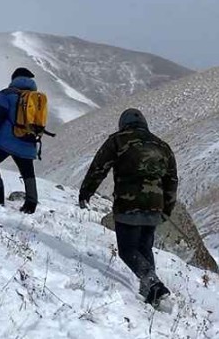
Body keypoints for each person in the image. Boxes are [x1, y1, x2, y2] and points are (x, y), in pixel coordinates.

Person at [78, 109, 177, 306]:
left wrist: (86, 192)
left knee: (127, 250)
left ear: (123, 123)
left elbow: (99, 168)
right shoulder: (162, 145)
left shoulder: (118, 140)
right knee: (144, 247)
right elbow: (172, 180)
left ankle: (155, 285)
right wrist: (167, 208)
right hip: (155, 205)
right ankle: (150, 294)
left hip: (128, 203)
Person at [0, 67, 40, 214]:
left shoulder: (7, 94)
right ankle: (31, 203)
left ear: (14, 79)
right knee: (28, 172)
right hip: (29, 141)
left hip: (7, 140)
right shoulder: (36, 98)